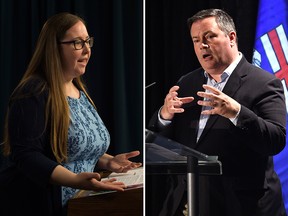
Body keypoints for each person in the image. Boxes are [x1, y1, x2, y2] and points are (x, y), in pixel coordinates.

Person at [0, 12, 142, 216]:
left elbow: (73, 147)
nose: (87, 50)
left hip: (81, 205)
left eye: (87, 41)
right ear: (54, 48)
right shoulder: (33, 92)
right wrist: (74, 180)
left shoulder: (79, 90)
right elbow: (26, 155)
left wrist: (108, 161)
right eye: (77, 43)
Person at [148, 8, 286, 216]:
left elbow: (276, 140)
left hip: (242, 206)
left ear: (231, 37)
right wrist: (164, 116)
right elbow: (161, 142)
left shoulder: (264, 83)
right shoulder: (187, 83)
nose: (201, 45)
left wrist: (236, 113)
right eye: (195, 40)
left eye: (209, 36)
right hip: (188, 202)